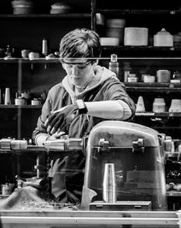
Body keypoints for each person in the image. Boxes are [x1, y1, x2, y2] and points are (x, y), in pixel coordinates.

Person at [33, 28, 135, 201]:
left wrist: (79, 106)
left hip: (100, 182)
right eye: (69, 65)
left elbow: (126, 109)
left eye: (81, 66)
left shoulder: (109, 86)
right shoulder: (56, 92)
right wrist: (49, 140)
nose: (74, 73)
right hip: (61, 184)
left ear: (95, 61)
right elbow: (38, 133)